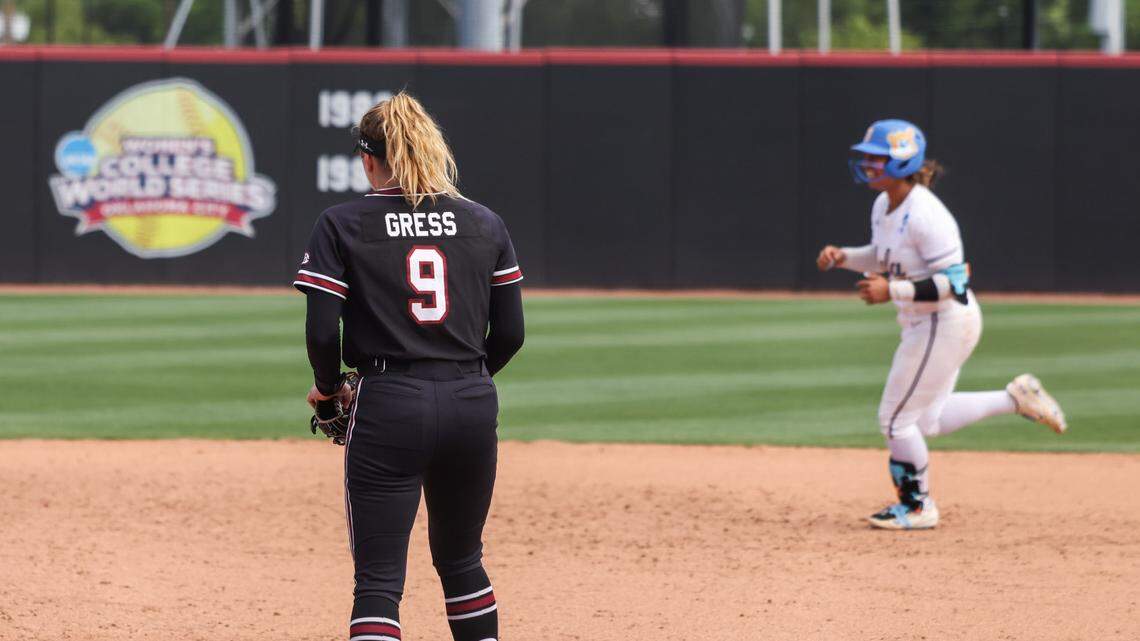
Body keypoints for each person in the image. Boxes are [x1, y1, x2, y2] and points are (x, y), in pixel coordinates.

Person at [294, 91, 525, 640]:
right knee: (463, 562)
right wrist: (461, 377)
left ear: (368, 158)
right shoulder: (485, 223)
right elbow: (511, 335)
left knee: (377, 582)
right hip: (472, 399)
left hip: (389, 403)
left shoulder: (341, 223)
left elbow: (324, 332)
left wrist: (329, 393)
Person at [816, 119, 1066, 530]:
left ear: (903, 162)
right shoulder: (884, 205)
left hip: (944, 322)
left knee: (895, 420)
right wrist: (844, 256)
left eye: (878, 158)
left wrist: (891, 291)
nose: (869, 165)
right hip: (927, 323)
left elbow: (954, 283)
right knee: (926, 420)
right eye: (868, 158)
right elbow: (884, 257)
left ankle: (918, 507)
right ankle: (1016, 398)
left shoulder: (927, 215)